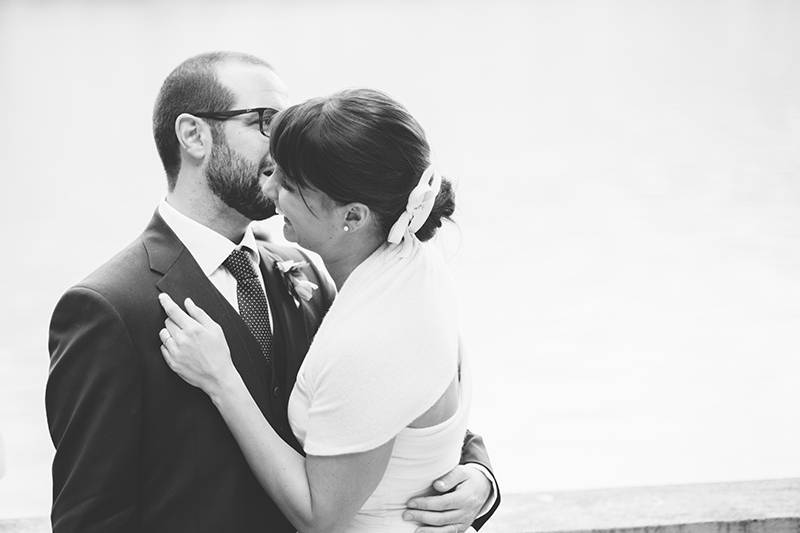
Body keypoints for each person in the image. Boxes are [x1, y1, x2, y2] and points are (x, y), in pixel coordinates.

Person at [46, 52, 499, 533]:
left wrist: (478, 476)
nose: (283, 148)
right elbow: (90, 517)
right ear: (194, 135)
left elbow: (389, 395)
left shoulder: (307, 266)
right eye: (265, 122)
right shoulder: (108, 308)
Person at [156, 87, 489, 533]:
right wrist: (480, 474)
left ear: (352, 217)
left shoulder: (374, 333)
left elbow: (319, 516)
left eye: (289, 184)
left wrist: (222, 380)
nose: (268, 186)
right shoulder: (409, 259)